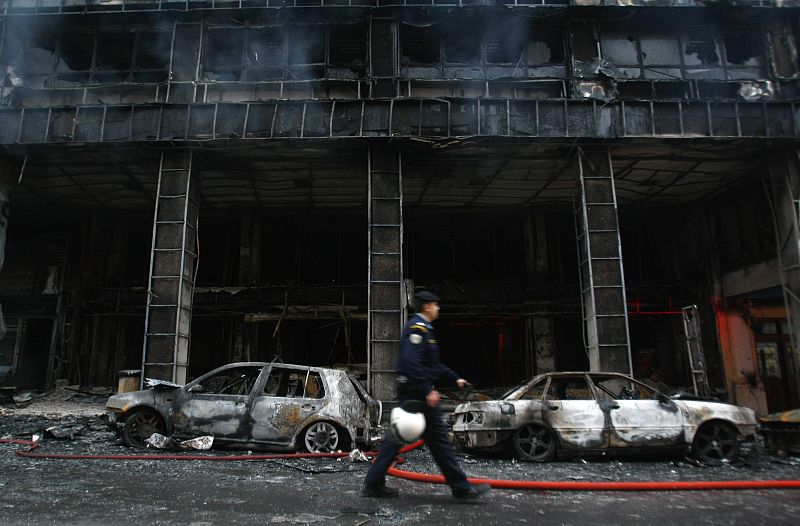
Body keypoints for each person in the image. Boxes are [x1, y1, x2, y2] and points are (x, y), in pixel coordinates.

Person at [362, 291, 491, 502]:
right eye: (435, 305)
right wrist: (426, 389)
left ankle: (373, 482)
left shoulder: (425, 330)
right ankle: (461, 489)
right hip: (416, 394)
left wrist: (454, 378)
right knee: (434, 441)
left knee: (404, 439)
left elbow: (433, 365)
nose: (438, 309)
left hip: (416, 393)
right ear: (426, 307)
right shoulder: (416, 328)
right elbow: (410, 362)